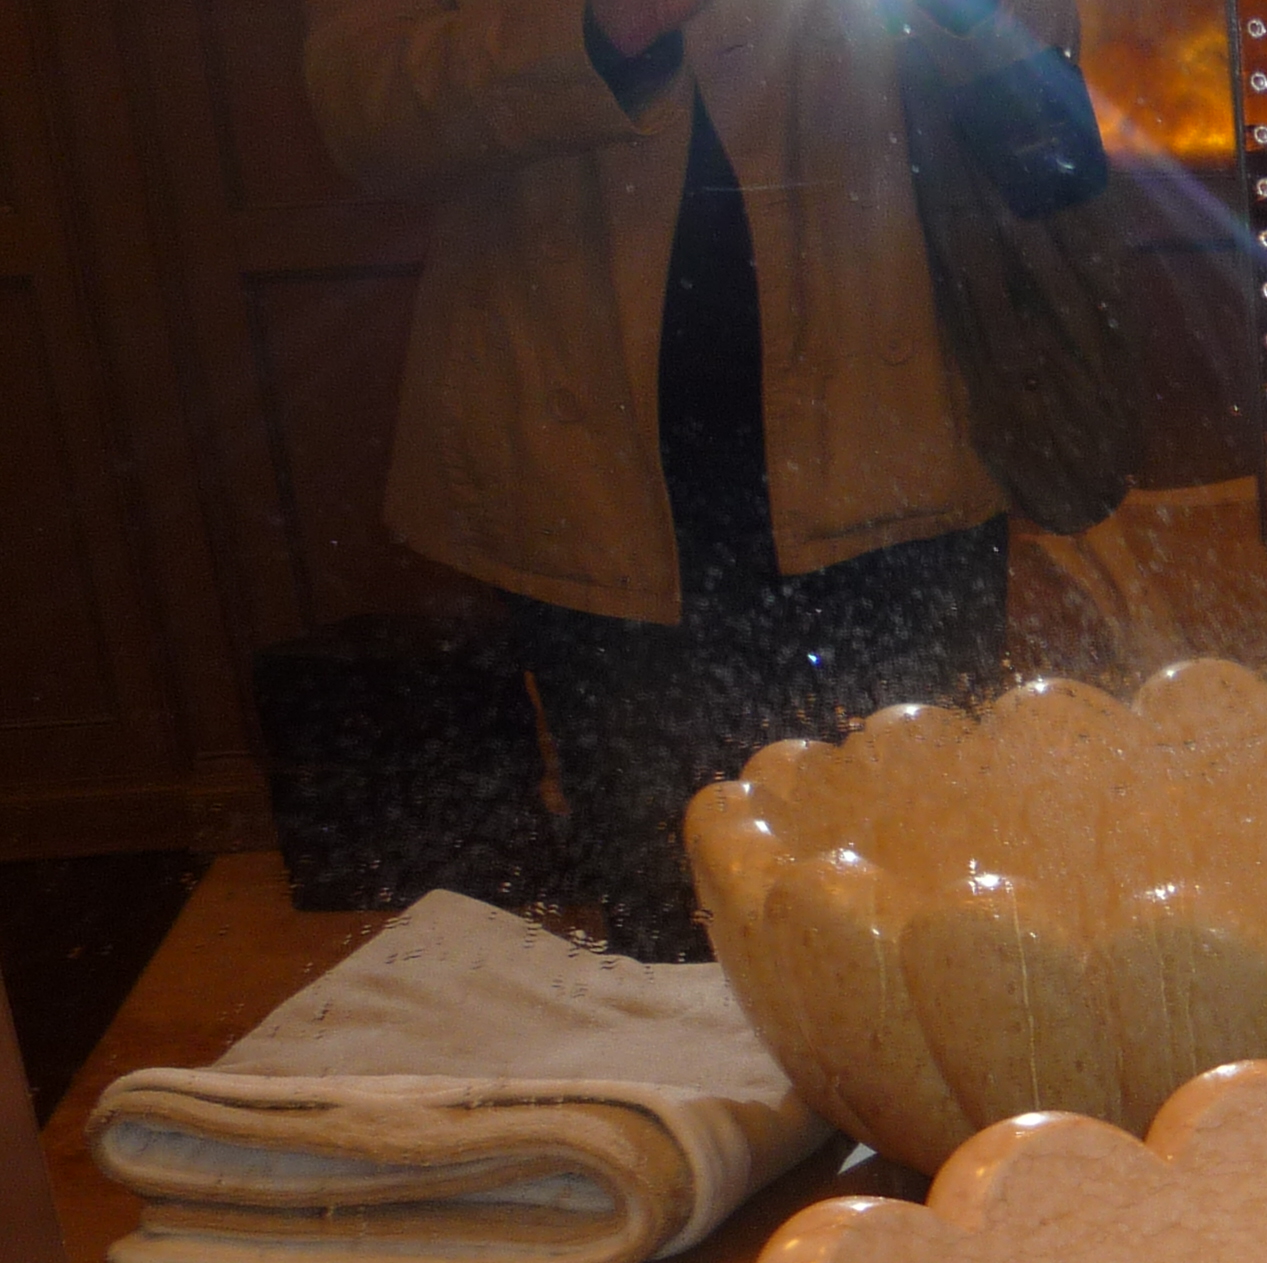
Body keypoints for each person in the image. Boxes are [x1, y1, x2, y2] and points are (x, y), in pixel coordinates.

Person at [306, 0, 1086, 958]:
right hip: (600, 483)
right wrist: (606, 26)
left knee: (929, 913)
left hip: (897, 449)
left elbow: (1039, 66)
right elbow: (365, 114)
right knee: (675, 914)